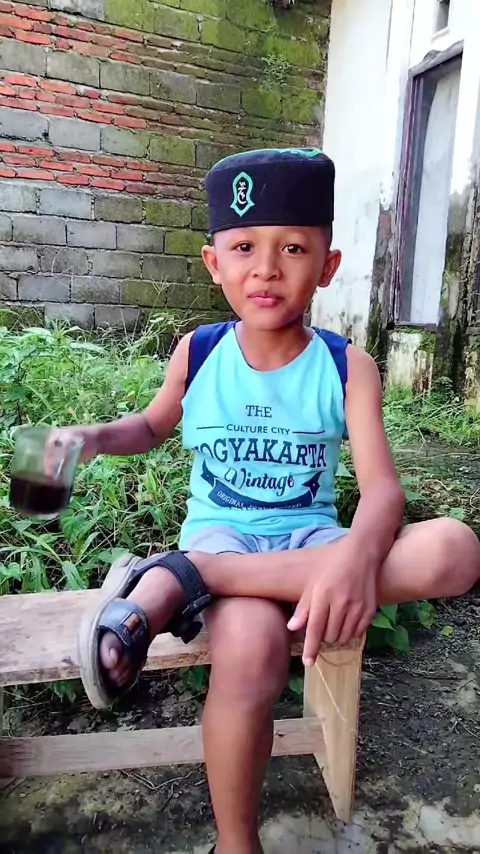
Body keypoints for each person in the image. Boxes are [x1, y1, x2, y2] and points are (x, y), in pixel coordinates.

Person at [56, 149, 480, 854]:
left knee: (457, 549)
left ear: (328, 266)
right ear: (213, 263)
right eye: (244, 248)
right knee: (250, 649)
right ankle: (237, 841)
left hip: (309, 544)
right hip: (224, 532)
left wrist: (354, 558)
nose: (266, 269)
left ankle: (183, 577)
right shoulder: (199, 352)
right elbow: (154, 425)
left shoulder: (347, 366)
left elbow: (382, 489)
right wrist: (94, 436)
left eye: (293, 249)